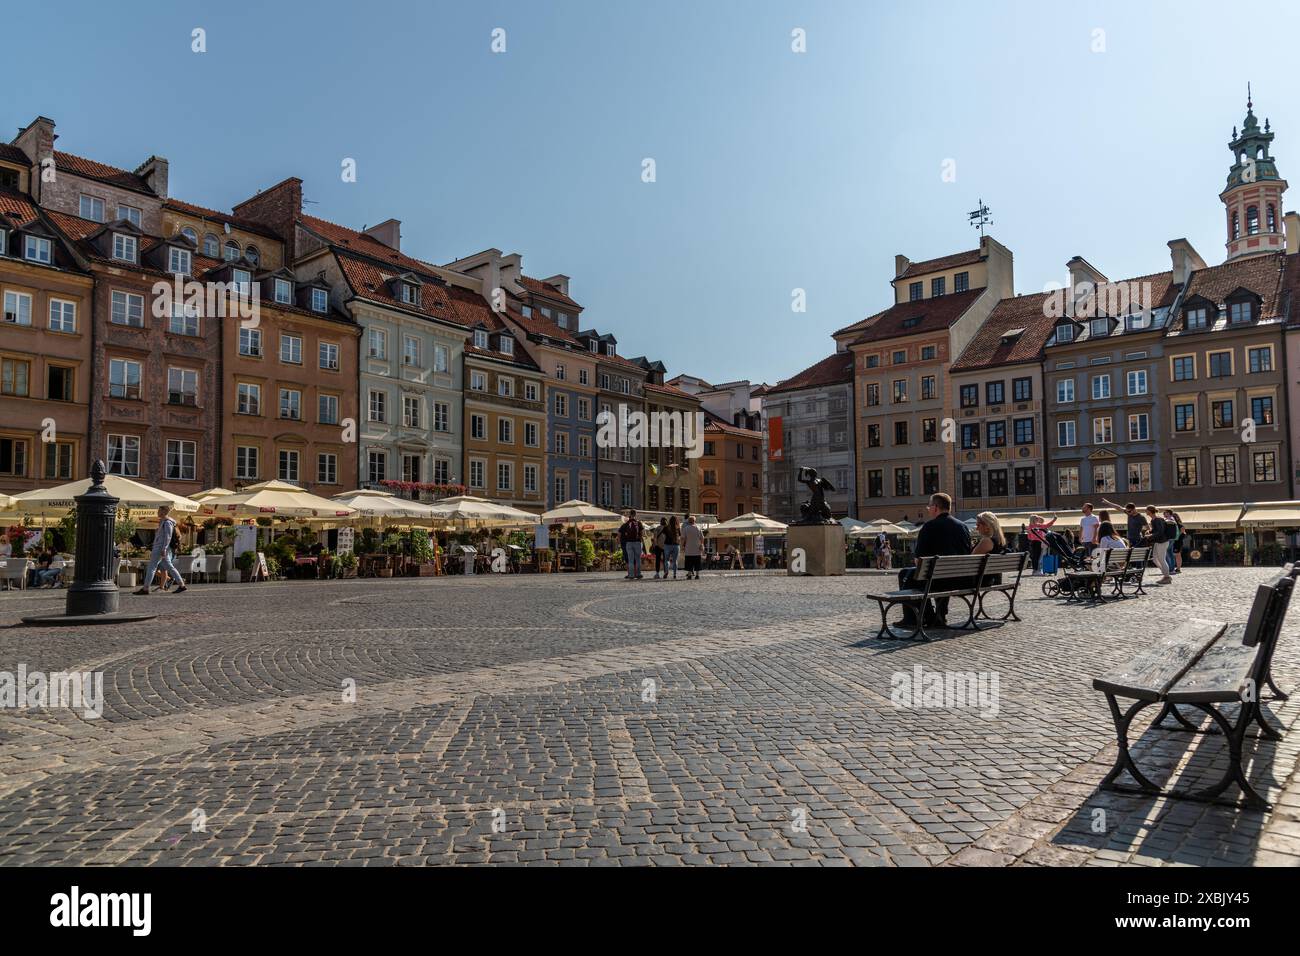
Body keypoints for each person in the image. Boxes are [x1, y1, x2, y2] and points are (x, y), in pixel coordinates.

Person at [898, 493, 972, 628]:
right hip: (961, 578)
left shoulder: (929, 527)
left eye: (929, 506)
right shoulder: (963, 527)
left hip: (937, 579)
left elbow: (918, 561)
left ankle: (917, 618)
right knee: (913, 573)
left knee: (906, 575)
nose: (928, 509)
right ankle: (939, 615)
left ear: (936, 507)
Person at [134, 505, 187, 596]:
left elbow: (168, 537)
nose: (157, 512)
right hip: (160, 548)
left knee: (152, 567)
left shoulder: (167, 523)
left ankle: (146, 588)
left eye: (159, 511)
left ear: (163, 512)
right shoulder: (163, 522)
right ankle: (182, 585)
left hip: (160, 548)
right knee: (169, 567)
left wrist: (164, 548)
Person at [1143, 506, 1173, 585]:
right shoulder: (1153, 520)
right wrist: (1149, 531)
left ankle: (1167, 577)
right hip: (1158, 542)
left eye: (1146, 510)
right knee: (1155, 559)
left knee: (1162, 559)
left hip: (1162, 542)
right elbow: (1155, 530)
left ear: (1150, 511)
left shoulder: (1158, 519)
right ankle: (1166, 575)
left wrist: (1150, 536)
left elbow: (1160, 532)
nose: (1145, 511)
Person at [619, 510, 645, 580]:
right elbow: (642, 533)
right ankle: (638, 574)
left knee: (630, 560)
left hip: (628, 543)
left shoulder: (626, 524)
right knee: (638, 559)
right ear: (635, 514)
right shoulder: (639, 523)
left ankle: (631, 575)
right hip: (637, 542)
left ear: (629, 515)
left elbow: (620, 533)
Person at [681, 515, 704, 579]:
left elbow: (683, 538)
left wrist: (682, 546)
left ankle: (689, 574)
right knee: (697, 562)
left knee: (689, 562)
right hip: (697, 549)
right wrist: (701, 544)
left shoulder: (686, 528)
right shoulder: (698, 528)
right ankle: (697, 575)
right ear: (694, 521)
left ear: (688, 521)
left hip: (689, 549)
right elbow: (702, 538)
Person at [663, 516, 681, 580]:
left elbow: (664, 536)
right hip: (676, 545)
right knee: (675, 560)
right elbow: (679, 536)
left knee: (666, 560)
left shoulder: (666, 527)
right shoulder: (678, 527)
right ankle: (674, 574)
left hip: (667, 545)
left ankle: (666, 571)